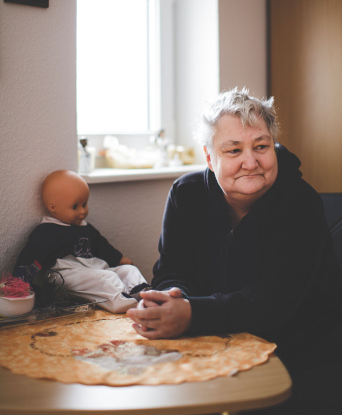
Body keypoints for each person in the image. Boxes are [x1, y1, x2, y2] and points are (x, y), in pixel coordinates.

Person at [128, 88, 342, 414]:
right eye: (233, 150)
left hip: (298, 356)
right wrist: (174, 296)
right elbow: (172, 269)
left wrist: (191, 314)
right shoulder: (185, 194)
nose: (250, 162)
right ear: (209, 156)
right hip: (213, 343)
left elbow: (275, 302)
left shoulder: (300, 203)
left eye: (261, 146)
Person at [14, 170, 149, 313]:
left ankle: (143, 292)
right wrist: (20, 280)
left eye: (84, 204)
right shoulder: (47, 231)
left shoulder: (84, 227)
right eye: (75, 206)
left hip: (95, 268)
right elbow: (31, 256)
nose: (82, 211)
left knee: (128, 270)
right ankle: (121, 299)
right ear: (53, 207)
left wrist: (118, 258)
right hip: (67, 273)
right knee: (106, 278)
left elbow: (101, 246)